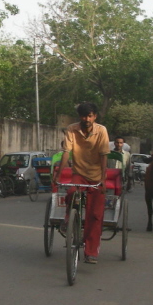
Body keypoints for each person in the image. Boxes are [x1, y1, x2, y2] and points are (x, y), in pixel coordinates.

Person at [53, 102, 110, 265]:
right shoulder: (72, 129)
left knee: (95, 215)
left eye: (90, 116)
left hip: (97, 176)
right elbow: (66, 153)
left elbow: (104, 155)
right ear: (80, 117)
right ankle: (68, 219)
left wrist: (103, 180)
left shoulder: (101, 131)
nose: (87, 119)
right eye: (84, 116)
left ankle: (91, 252)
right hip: (79, 174)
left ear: (95, 116)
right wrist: (57, 174)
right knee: (71, 193)